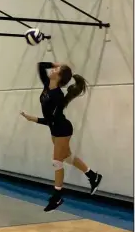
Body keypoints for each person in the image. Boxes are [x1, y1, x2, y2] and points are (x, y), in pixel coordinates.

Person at [20, 62, 102, 212]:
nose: (53, 69)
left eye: (56, 70)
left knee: (57, 161)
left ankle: (57, 196)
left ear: (59, 77)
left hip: (62, 129)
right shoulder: (47, 84)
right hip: (54, 129)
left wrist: (34, 119)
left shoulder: (57, 95)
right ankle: (93, 176)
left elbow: (53, 119)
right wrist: (56, 64)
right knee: (67, 157)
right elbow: (40, 66)